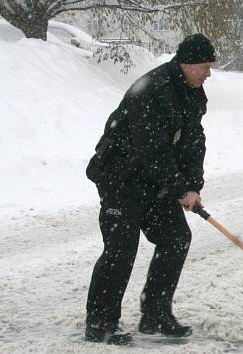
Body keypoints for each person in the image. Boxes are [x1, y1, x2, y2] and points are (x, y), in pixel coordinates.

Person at [83, 33, 216, 345]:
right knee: (121, 250)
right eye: (205, 66)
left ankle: (155, 315)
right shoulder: (153, 90)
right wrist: (179, 188)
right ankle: (100, 323)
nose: (209, 73)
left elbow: (195, 141)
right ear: (187, 63)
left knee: (176, 237)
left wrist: (192, 186)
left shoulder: (192, 92)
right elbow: (152, 150)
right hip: (121, 178)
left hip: (153, 181)